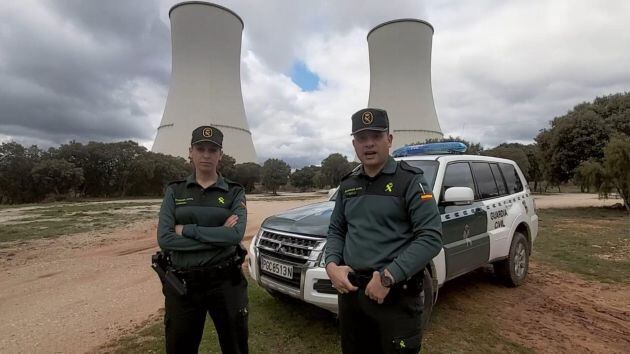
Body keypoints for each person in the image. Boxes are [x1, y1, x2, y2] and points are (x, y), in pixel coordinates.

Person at [325, 108, 443, 354]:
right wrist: (331, 266)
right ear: (354, 144)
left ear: (389, 140)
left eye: (376, 136)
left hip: (394, 296)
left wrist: (389, 276)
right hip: (353, 296)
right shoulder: (348, 185)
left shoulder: (410, 181)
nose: (369, 144)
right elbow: (337, 230)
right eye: (361, 138)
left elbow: (431, 237)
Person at [156, 125, 248, 354]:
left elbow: (235, 235)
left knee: (235, 345)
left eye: (212, 149)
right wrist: (219, 237)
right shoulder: (175, 191)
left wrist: (186, 229)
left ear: (220, 155)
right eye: (200, 148)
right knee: (180, 347)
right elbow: (165, 239)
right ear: (190, 152)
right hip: (183, 285)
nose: (206, 154)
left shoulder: (234, 192)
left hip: (226, 282)